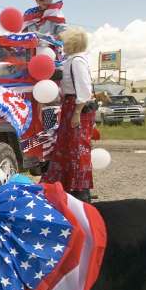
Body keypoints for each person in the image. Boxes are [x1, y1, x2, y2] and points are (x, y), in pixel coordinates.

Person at [42, 27, 95, 202]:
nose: (62, 45)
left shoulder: (77, 61)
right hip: (70, 104)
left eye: (65, 42)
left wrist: (77, 113)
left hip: (76, 106)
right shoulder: (72, 60)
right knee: (67, 147)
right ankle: (69, 188)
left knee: (77, 149)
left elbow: (84, 89)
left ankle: (81, 191)